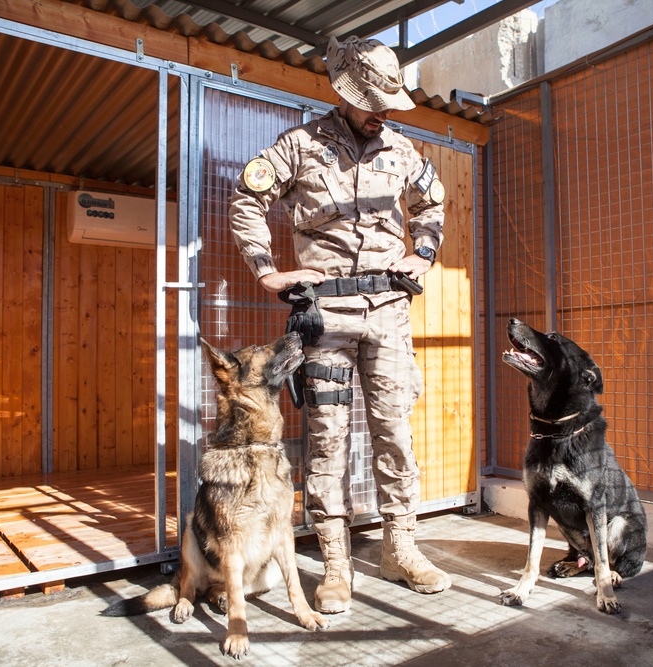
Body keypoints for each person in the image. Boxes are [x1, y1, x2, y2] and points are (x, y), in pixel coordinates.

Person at [227, 35, 450, 614]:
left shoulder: (403, 151)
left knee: (394, 432)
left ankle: (401, 549)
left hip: (390, 316)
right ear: (348, 94)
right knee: (327, 440)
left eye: (387, 101)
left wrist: (422, 253)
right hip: (325, 316)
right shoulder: (298, 146)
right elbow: (246, 200)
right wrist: (265, 268)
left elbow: (433, 206)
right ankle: (335, 566)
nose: (382, 111)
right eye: (373, 99)